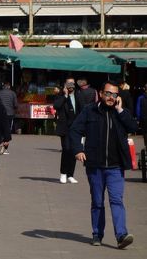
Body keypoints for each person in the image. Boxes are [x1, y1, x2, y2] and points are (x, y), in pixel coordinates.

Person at [70, 81, 138, 249]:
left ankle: (121, 235)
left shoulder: (120, 113)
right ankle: (97, 234)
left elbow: (133, 126)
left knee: (116, 200)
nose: (111, 97)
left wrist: (121, 110)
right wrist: (78, 150)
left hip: (116, 166)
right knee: (98, 202)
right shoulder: (89, 110)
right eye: (108, 94)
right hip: (95, 165)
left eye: (114, 95)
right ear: (101, 93)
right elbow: (75, 130)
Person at [54, 77, 79, 184]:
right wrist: (65, 95)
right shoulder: (61, 96)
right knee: (66, 149)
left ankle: (70, 175)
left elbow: (82, 110)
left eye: (72, 83)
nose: (70, 85)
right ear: (65, 85)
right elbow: (56, 106)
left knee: (74, 151)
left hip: (76, 128)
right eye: (68, 83)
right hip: (65, 127)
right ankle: (63, 173)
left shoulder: (78, 95)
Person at [0, 82, 17, 155]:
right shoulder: (13, 93)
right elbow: (15, 105)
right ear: (9, 87)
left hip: (0, 114)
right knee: (7, 130)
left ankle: (1, 142)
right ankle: (5, 148)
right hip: (9, 114)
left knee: (0, 129)